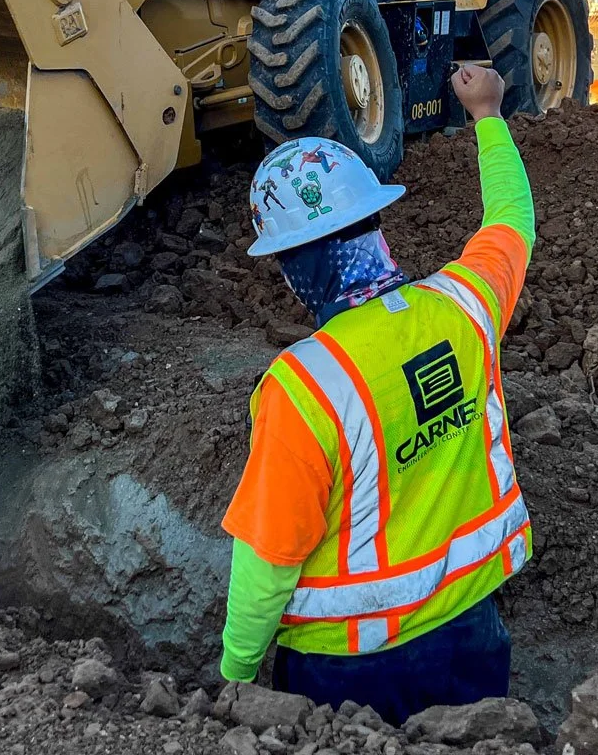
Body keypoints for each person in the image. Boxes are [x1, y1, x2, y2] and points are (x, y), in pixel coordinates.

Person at [219, 65, 534, 725]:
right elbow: (513, 221)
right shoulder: (466, 307)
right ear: (373, 219)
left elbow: (268, 563)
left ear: (294, 262)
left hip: (348, 670)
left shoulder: (303, 389)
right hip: (474, 634)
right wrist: (487, 115)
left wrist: (237, 677)